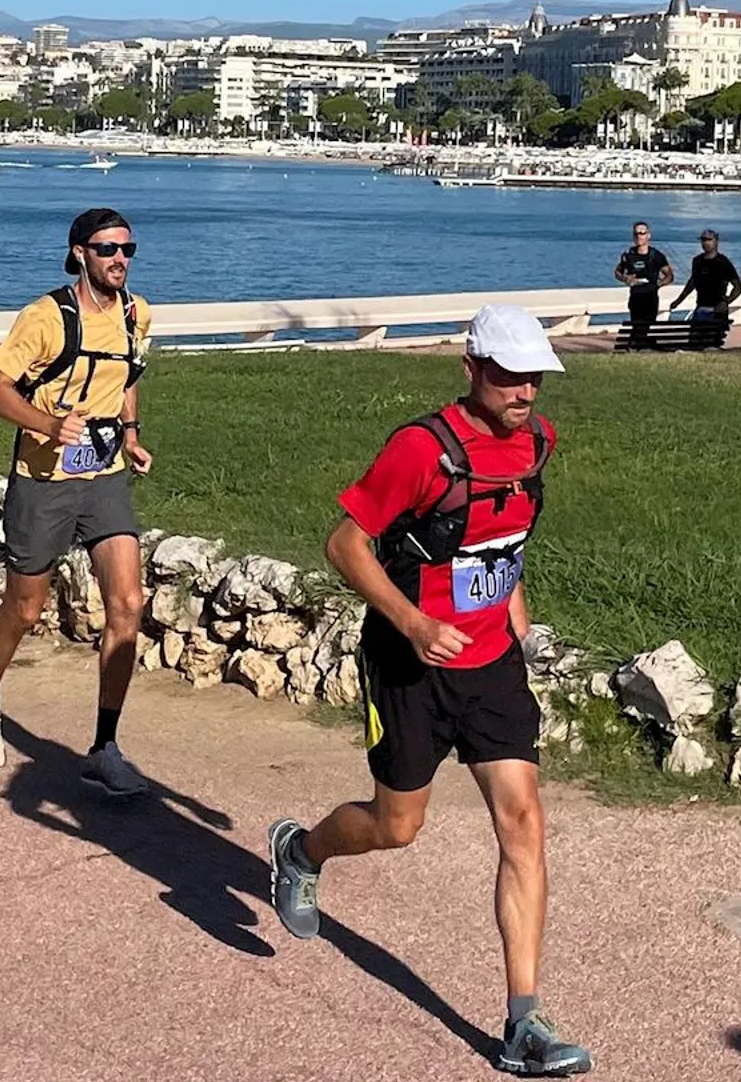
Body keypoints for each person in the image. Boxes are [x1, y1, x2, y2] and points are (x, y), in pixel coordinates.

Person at [267, 304, 591, 1078]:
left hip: (491, 667)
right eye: (508, 375)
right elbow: (343, 542)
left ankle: (524, 1023)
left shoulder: (537, 442)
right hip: (411, 666)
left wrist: (513, 607)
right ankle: (301, 851)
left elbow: (501, 537)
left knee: (524, 822)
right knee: (397, 825)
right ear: (471, 368)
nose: (524, 392)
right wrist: (412, 623)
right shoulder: (422, 450)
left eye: (534, 377)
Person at [0, 208, 154, 795]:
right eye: (106, 250)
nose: (119, 258)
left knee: (128, 604)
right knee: (24, 609)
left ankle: (105, 745)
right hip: (43, 479)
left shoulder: (136, 313)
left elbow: (126, 376)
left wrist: (129, 433)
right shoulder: (46, 318)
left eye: (127, 249)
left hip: (104, 474)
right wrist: (47, 423)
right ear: (79, 254)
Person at [667, 228, 741, 348]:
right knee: (694, 344)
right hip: (701, 309)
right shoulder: (697, 261)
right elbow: (692, 282)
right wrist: (678, 300)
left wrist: (726, 302)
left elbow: (738, 287)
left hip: (716, 311)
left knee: (711, 345)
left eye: (709, 240)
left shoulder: (723, 263)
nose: (705, 243)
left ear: (716, 241)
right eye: (703, 240)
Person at [613, 220, 672, 349]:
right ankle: (637, 347)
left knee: (647, 326)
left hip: (650, 297)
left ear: (648, 235)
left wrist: (658, 284)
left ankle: (640, 347)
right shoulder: (628, 255)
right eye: (636, 234)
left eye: (642, 233)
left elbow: (669, 275)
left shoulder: (656, 256)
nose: (639, 236)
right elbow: (617, 271)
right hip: (635, 298)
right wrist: (625, 279)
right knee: (637, 326)